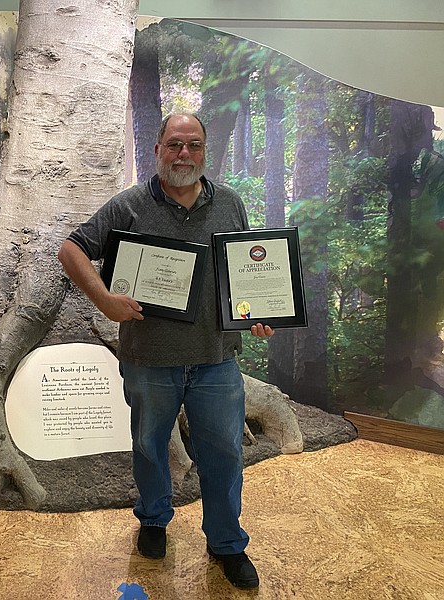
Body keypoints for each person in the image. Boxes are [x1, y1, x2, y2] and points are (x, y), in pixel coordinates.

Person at [58, 113, 273, 589]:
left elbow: (245, 274)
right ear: (157, 150)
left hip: (216, 358)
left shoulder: (230, 204)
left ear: (204, 151)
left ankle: (226, 543)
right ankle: (154, 519)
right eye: (174, 145)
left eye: (193, 145)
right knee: (150, 448)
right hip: (149, 359)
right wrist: (104, 300)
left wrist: (257, 312)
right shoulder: (129, 205)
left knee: (223, 453)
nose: (184, 154)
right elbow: (71, 249)